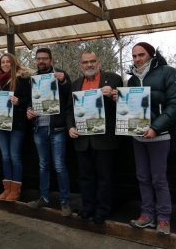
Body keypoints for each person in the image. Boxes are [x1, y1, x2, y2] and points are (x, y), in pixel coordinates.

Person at [124, 42, 176, 236]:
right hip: (138, 137)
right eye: (134, 56)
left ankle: (164, 218)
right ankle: (147, 214)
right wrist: (120, 100)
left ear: (151, 54)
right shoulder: (132, 80)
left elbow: (175, 104)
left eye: (141, 55)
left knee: (159, 179)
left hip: (159, 137)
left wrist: (156, 128)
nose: (137, 59)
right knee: (142, 177)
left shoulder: (167, 72)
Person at [66, 51, 123, 224]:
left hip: (104, 139)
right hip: (82, 138)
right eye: (85, 62)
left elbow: (126, 101)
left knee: (104, 177)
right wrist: (70, 127)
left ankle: (102, 211)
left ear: (98, 62)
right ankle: (87, 208)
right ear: (80, 65)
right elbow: (69, 110)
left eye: (92, 61)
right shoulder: (75, 84)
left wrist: (114, 94)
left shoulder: (113, 79)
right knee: (85, 177)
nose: (89, 65)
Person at [26, 48, 72, 217]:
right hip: (39, 128)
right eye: (39, 59)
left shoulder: (61, 75)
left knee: (59, 166)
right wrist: (29, 109)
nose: (41, 61)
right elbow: (28, 100)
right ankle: (44, 197)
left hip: (57, 129)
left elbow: (70, 97)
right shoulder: (33, 79)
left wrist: (65, 81)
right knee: (43, 165)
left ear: (51, 60)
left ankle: (65, 201)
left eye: (45, 58)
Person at [0, 53, 33, 202]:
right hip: (1, 123)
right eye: (2, 62)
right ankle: (7, 188)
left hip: (17, 123)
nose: (5, 64)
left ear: (13, 63)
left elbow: (29, 99)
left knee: (15, 156)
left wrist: (19, 102)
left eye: (8, 62)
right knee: (5, 156)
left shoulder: (22, 78)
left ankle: (16, 190)